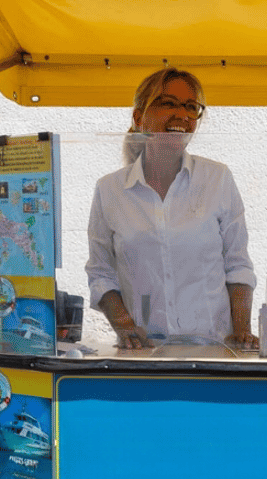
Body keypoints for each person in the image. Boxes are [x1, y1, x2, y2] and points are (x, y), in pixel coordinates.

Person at [86, 67, 258, 350]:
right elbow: (101, 274)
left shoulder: (218, 179)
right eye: (168, 103)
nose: (183, 115)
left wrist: (241, 333)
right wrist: (126, 328)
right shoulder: (110, 190)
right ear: (139, 117)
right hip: (145, 355)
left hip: (213, 351)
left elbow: (237, 266)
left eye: (191, 107)